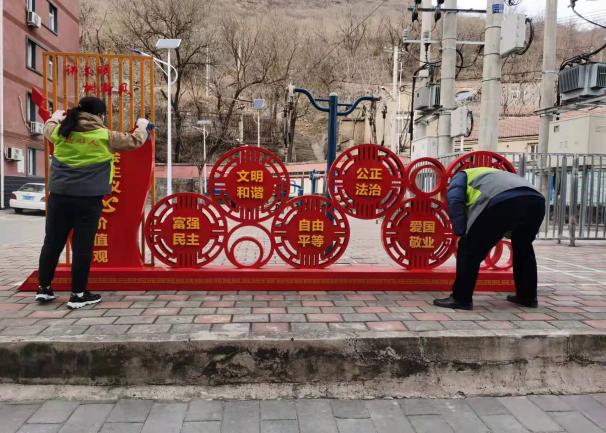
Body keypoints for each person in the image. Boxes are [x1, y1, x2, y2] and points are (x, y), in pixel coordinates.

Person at [35, 96, 150, 309]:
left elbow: (47, 128)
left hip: (59, 198)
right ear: (99, 115)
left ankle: (44, 288)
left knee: (52, 243)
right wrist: (142, 125)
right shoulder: (106, 136)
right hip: (88, 201)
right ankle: (78, 295)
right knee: (82, 247)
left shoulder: (62, 131)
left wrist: (54, 116)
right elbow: (135, 141)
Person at [433, 167, 546, 311]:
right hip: (536, 201)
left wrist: (460, 233)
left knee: (468, 250)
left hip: (503, 200)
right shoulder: (495, 174)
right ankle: (527, 297)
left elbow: (455, 201)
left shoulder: (460, 177)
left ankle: (461, 298)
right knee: (523, 248)